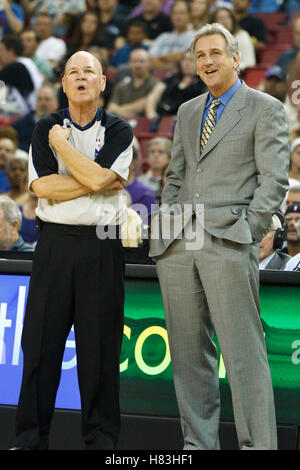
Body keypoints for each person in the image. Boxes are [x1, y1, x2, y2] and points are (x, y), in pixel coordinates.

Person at [149, 23, 290, 450]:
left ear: (235, 58)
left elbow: (274, 181)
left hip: (230, 241)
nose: (207, 62)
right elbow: (175, 176)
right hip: (179, 246)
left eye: (215, 53)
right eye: (200, 56)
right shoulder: (188, 111)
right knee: (189, 360)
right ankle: (198, 446)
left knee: (244, 356)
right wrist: (168, 225)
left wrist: (248, 231)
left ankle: (259, 446)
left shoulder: (264, 107)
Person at [10, 50, 133, 450]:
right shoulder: (44, 126)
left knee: (100, 353)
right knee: (40, 349)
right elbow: (42, 188)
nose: (81, 77)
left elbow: (78, 179)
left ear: (102, 83)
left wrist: (63, 149)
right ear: (63, 83)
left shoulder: (119, 129)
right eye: (73, 72)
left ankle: (101, 443)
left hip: (102, 246)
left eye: (89, 72)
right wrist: (97, 179)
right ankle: (30, 440)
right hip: (54, 245)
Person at [146, 50, 207, 119]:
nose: (187, 63)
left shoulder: (204, 84)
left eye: (191, 60)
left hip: (187, 120)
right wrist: (151, 114)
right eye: (184, 60)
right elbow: (153, 97)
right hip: (163, 118)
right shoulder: (170, 79)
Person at [107, 48, 160, 119]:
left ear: (149, 63)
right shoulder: (121, 86)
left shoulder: (156, 84)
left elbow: (147, 104)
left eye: (142, 61)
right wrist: (138, 106)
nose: (138, 65)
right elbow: (111, 109)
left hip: (144, 124)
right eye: (134, 61)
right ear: (129, 63)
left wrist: (118, 110)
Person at [0, 34, 43, 115]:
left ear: (11, 52)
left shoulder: (17, 66)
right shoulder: (27, 62)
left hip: (31, 111)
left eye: (1, 50)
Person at [148, 0, 196, 69]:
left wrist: (161, 58)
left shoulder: (195, 37)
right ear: (171, 16)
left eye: (181, 13)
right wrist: (171, 61)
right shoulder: (163, 37)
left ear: (189, 15)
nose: (178, 17)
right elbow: (150, 60)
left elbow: (181, 58)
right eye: (175, 13)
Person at [12, 84, 59, 153]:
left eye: (47, 99)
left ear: (56, 103)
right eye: (39, 99)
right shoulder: (18, 125)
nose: (43, 103)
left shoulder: (63, 124)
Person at [212, 7, 256, 71]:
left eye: (228, 17)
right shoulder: (210, 39)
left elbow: (249, 63)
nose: (225, 21)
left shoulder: (242, 36)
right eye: (221, 18)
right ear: (214, 23)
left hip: (238, 74)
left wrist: (229, 67)